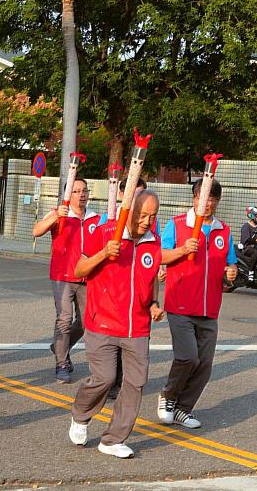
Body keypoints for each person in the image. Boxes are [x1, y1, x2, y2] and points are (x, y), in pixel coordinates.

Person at [69, 190, 164, 459]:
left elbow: (151, 278)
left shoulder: (153, 242)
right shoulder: (104, 232)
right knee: (105, 378)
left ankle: (113, 440)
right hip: (103, 323)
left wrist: (154, 304)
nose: (148, 221)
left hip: (137, 326)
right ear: (129, 212)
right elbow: (79, 270)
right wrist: (103, 253)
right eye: (143, 215)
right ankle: (81, 414)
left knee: (135, 382)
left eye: (153, 216)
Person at [157, 179, 237, 428]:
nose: (208, 203)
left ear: (217, 201)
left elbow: (230, 262)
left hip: (209, 307)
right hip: (180, 304)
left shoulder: (223, 230)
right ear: (194, 198)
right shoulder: (178, 224)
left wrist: (231, 271)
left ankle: (183, 409)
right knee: (187, 357)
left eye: (213, 199)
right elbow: (160, 255)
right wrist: (182, 250)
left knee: (204, 364)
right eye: (203, 198)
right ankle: (167, 397)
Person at [32, 178, 100, 384]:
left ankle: (60, 346)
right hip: (62, 276)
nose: (81, 194)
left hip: (86, 276)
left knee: (87, 322)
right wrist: (54, 217)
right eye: (76, 191)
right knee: (64, 318)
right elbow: (36, 231)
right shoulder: (59, 214)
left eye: (84, 191)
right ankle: (61, 363)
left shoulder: (95, 219)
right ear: (68, 195)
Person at [97, 177, 154, 400]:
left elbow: (153, 253)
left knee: (134, 338)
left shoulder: (150, 225)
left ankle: (125, 381)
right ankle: (110, 380)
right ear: (122, 195)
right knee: (115, 341)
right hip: (112, 293)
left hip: (138, 292)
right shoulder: (107, 222)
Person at [240, 205, 257, 281]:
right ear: (251, 215)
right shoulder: (246, 226)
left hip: (256, 247)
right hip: (247, 248)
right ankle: (250, 271)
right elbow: (246, 239)